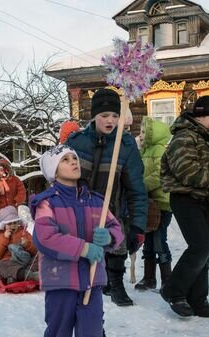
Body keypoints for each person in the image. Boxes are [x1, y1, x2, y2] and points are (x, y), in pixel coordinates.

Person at [65, 88, 147, 306]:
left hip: (113, 208)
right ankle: (88, 284)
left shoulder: (126, 145)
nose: (110, 120)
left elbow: (136, 189)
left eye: (115, 115)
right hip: (81, 207)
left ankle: (116, 284)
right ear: (94, 116)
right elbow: (62, 176)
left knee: (116, 245)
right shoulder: (77, 142)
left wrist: (137, 226)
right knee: (83, 248)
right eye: (104, 116)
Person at [32, 145, 124, 337]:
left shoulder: (97, 201)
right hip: (61, 282)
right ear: (53, 171)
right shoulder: (47, 203)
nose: (73, 161)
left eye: (74, 157)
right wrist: (83, 249)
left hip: (92, 280)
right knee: (59, 331)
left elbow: (116, 228)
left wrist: (109, 236)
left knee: (92, 331)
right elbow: (45, 238)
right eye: (65, 160)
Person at [160, 96, 209, 317]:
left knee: (206, 251)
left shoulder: (204, 137)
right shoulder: (184, 138)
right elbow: (186, 171)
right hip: (185, 198)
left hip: (202, 199)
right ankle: (173, 291)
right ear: (200, 116)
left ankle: (198, 300)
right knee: (199, 248)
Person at [134, 116, 173, 291]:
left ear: (153, 134)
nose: (140, 135)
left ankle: (167, 279)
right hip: (149, 203)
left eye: (144, 132)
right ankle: (149, 278)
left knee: (158, 241)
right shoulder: (145, 150)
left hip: (162, 202)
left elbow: (160, 174)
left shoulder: (159, 150)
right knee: (148, 239)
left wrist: (140, 186)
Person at [0, 206, 38, 284]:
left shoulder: (24, 233)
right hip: (9, 264)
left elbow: (35, 250)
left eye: (15, 223)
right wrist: (4, 238)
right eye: (9, 224)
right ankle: (30, 276)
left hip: (25, 264)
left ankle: (18, 277)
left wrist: (27, 244)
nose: (13, 225)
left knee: (40, 255)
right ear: (3, 225)